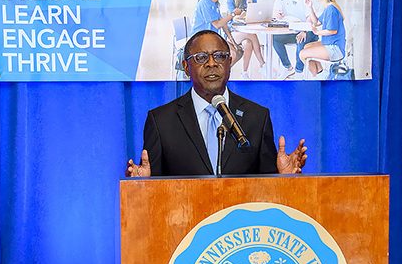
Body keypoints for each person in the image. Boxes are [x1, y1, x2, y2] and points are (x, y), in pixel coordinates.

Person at [126, 29, 307, 177]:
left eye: (220, 56)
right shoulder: (161, 121)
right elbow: (153, 188)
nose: (211, 63)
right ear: (186, 67)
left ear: (230, 63)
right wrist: (141, 184)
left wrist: (282, 176)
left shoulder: (257, 117)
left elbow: (266, 187)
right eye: (201, 57)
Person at [270, 0, 315, 77]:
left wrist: (304, 31)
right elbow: (275, 12)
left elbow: (309, 16)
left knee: (301, 40)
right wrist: (277, 15)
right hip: (291, 30)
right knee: (275, 39)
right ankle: (288, 67)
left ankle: (299, 72)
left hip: (307, 31)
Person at [298, 0, 346, 77]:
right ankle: (320, 73)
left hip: (335, 49)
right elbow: (316, 22)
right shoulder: (328, 8)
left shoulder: (331, 10)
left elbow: (332, 31)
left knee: (302, 54)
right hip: (330, 44)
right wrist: (310, 7)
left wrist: (317, 32)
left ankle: (317, 77)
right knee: (306, 47)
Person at [226, 0, 266, 76]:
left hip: (246, 30)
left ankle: (244, 73)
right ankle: (262, 64)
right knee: (252, 35)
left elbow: (254, 15)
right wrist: (242, 14)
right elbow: (233, 18)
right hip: (233, 32)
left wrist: (250, 5)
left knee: (248, 43)